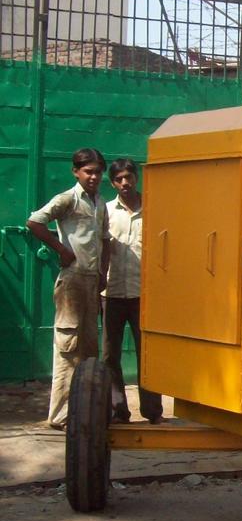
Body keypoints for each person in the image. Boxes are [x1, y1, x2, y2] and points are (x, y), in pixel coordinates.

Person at [26, 147, 111, 429]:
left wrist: (103, 273)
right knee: (68, 346)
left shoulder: (100, 202)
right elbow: (35, 221)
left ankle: (84, 411)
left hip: (91, 281)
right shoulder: (69, 198)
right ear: (76, 171)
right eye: (88, 171)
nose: (94, 176)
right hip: (72, 280)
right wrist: (61, 250)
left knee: (88, 349)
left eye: (98, 171)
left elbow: (105, 241)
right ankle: (61, 415)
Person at [101, 158, 163, 425]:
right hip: (111, 294)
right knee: (109, 356)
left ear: (136, 177)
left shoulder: (154, 209)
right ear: (112, 182)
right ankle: (118, 411)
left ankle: (153, 411)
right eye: (119, 179)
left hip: (143, 296)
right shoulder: (105, 212)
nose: (125, 183)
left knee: (147, 354)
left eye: (128, 177)